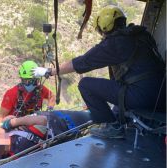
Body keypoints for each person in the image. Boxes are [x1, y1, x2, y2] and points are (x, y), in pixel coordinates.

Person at [33, 5, 166, 138]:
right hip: (162, 95)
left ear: (104, 27)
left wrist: (49, 71)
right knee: (118, 91)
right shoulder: (141, 35)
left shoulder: (114, 43)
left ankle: (112, 128)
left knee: (85, 84)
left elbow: (80, 63)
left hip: (142, 97)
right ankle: (116, 119)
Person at [0, 60, 56, 126]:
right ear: (22, 79)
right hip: (15, 126)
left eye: (34, 81)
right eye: (27, 81)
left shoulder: (40, 89)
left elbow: (52, 96)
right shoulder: (11, 94)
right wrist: (1, 130)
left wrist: (49, 109)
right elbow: (1, 116)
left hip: (33, 125)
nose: (31, 84)